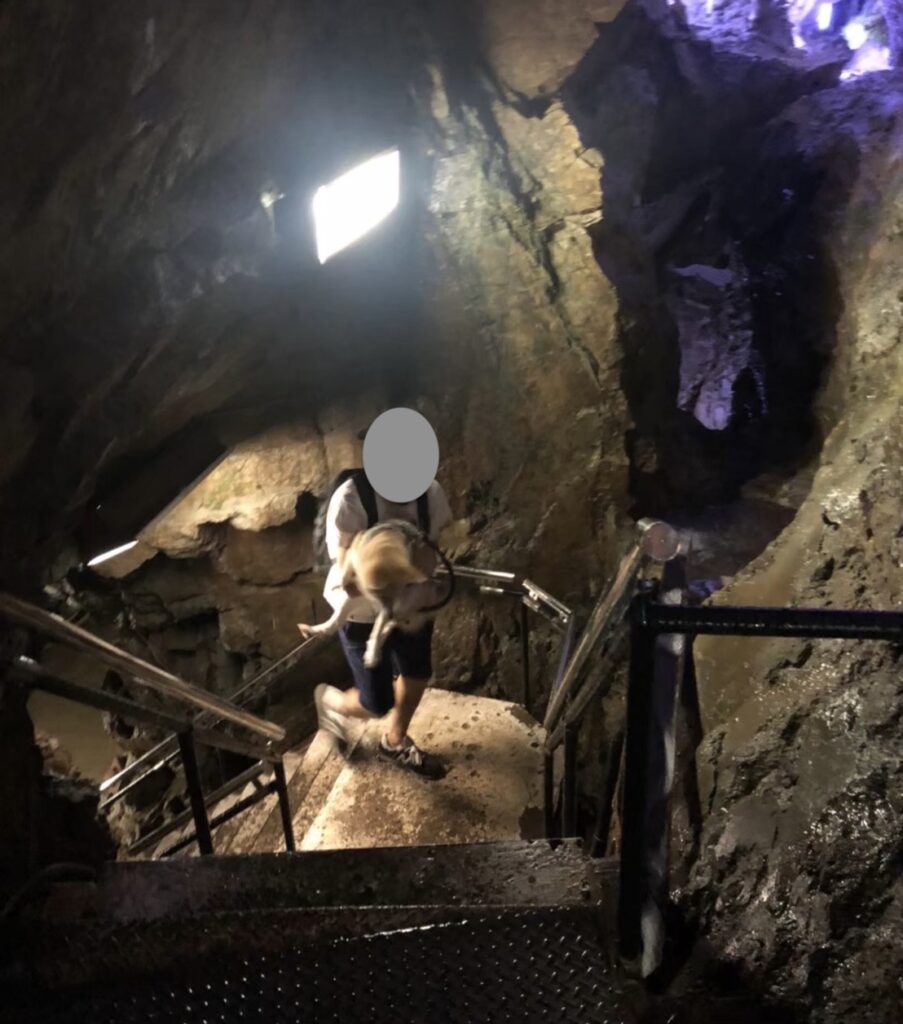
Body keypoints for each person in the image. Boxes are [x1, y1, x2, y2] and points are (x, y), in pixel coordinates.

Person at [313, 470, 453, 778]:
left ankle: (394, 741)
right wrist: (390, 583)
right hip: (361, 613)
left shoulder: (430, 493)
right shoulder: (352, 497)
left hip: (410, 604)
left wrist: (409, 590)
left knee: (417, 673)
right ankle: (330, 702)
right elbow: (351, 578)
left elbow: (429, 557)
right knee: (376, 703)